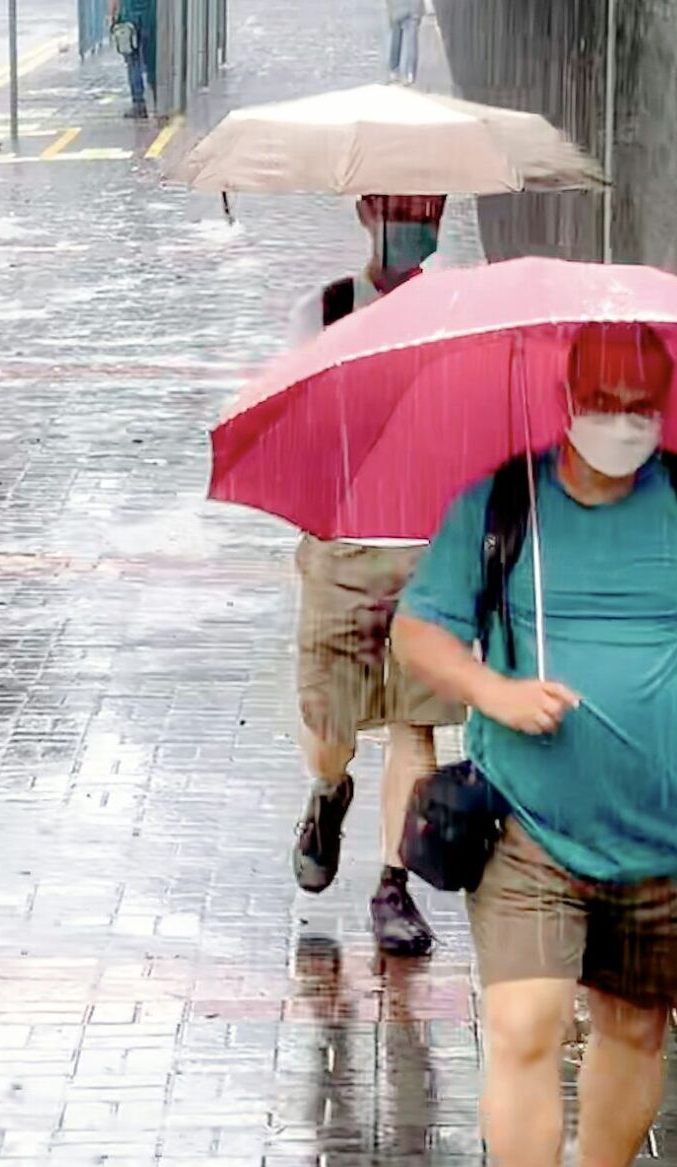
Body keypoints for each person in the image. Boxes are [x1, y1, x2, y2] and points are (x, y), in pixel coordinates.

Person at [391, 321, 677, 1167]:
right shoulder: (501, 504)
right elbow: (417, 629)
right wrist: (494, 690)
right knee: (525, 1026)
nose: (624, 424)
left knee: (633, 1029)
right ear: (568, 402)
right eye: (605, 404)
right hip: (528, 824)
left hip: (667, 832)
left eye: (642, 408)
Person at [288, 194, 463, 958]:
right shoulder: (325, 309)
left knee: (414, 727)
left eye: (425, 207)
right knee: (330, 732)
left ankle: (394, 887)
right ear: (366, 212)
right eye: (397, 208)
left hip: (430, 553)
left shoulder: (461, 315)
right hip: (344, 548)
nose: (412, 220)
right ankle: (329, 793)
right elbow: (293, 422)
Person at [109, 0, 157, 119]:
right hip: (150, 17)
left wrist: (112, 15)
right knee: (152, 58)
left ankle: (138, 103)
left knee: (133, 61)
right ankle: (158, 98)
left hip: (129, 17)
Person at [386, 0, 425, 84]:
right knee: (412, 42)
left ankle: (394, 71)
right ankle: (410, 74)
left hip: (397, 6)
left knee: (396, 39)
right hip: (414, 7)